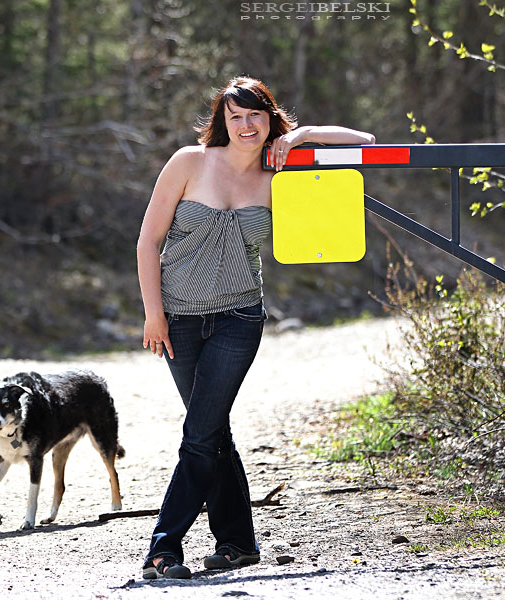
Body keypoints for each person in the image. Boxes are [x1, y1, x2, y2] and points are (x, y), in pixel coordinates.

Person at [136, 75, 374, 579]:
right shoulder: (189, 162)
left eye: (255, 116)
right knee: (212, 428)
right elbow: (147, 242)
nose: (246, 126)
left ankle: (163, 550)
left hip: (239, 319)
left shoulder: (279, 172)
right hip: (177, 319)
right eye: (235, 116)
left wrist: (303, 135)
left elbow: (365, 145)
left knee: (199, 433)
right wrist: (153, 312)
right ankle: (239, 543)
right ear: (222, 120)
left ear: (269, 119)